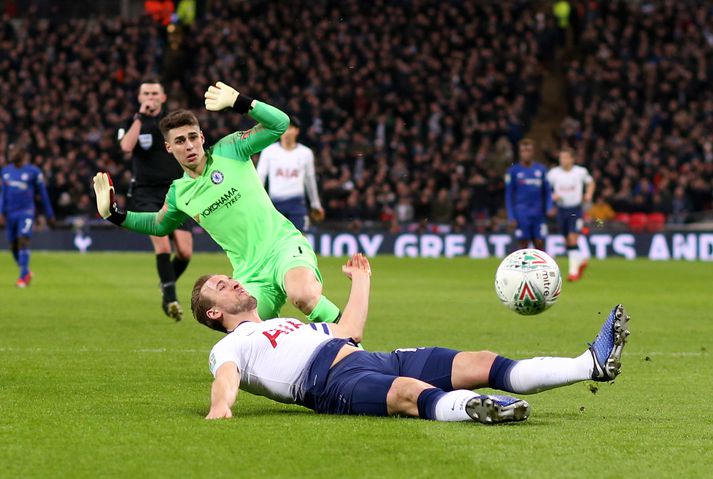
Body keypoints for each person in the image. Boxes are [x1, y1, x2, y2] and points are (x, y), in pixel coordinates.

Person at [194, 253, 631, 423]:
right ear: (214, 313)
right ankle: (478, 410)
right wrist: (220, 409)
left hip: (371, 357)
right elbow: (227, 376)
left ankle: (589, 364)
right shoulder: (228, 345)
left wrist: (360, 280)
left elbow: (350, 331)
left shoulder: (282, 324)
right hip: (331, 385)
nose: (231, 282)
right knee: (407, 393)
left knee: (479, 362)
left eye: (228, 278)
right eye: (220, 285)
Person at [94, 81, 341, 324]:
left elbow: (280, 125)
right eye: (180, 141)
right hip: (249, 274)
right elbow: (159, 225)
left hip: (282, 248)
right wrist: (114, 214)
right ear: (169, 147)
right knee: (239, 328)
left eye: (193, 137)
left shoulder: (230, 149)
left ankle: (353, 345)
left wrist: (239, 102)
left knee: (303, 295)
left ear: (201, 137)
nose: (189, 145)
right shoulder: (179, 193)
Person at [118, 80, 193, 321]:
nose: (150, 97)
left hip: (176, 192)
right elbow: (126, 147)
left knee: (184, 252)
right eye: (146, 93)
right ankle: (170, 298)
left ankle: (166, 285)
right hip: (146, 193)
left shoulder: (171, 124)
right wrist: (139, 117)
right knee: (162, 244)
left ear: (163, 97)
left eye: (154, 93)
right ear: (140, 97)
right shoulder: (131, 122)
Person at [256, 116, 324, 233]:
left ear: (297, 130)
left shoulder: (305, 153)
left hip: (297, 204)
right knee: (274, 240)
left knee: (301, 239)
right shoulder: (269, 151)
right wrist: (258, 202)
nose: (287, 132)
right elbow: (259, 178)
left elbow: (310, 180)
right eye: (285, 128)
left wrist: (315, 204)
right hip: (274, 204)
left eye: (291, 128)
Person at [0, 143, 55, 287]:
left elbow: (43, 194)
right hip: (10, 213)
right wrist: (1, 212)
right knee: (13, 246)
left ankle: (23, 277)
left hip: (26, 212)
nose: (12, 154)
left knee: (23, 240)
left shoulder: (33, 172)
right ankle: (26, 271)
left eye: (15, 151)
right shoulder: (5, 171)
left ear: (23, 155)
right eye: (11, 152)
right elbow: (3, 194)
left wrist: (49, 214)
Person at [546, 147, 595, 281]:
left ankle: (573, 273)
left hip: (575, 209)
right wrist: (552, 196)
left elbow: (590, 183)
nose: (562, 160)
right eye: (561, 158)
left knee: (573, 238)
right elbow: (545, 188)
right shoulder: (553, 173)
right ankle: (581, 260)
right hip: (561, 209)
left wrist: (588, 194)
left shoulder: (580, 172)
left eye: (565, 158)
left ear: (572, 159)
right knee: (567, 240)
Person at [505, 138, 553, 250]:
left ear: (533, 152)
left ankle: (541, 267)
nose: (526, 153)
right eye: (523, 151)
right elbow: (508, 195)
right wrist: (511, 216)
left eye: (528, 150)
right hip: (521, 213)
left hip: (538, 213)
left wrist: (549, 207)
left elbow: (547, 191)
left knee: (539, 243)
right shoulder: (513, 171)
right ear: (520, 152)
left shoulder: (541, 170)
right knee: (523, 245)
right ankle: (523, 267)